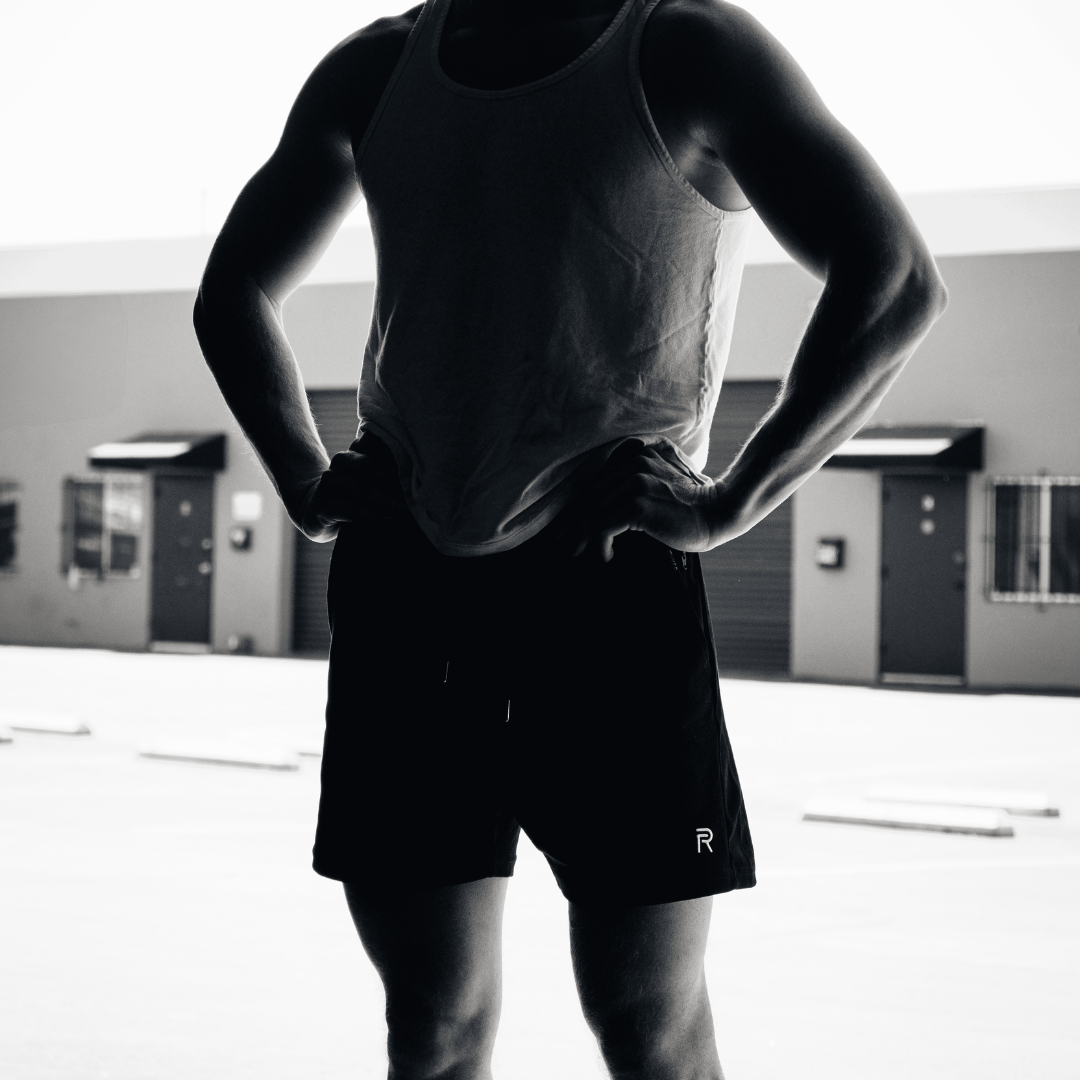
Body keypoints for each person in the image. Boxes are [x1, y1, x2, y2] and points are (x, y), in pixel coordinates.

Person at [194, 0, 946, 1076]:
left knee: (649, 1027)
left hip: (608, 589)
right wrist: (307, 483)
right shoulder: (375, 68)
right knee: (434, 1025)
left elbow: (896, 277)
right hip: (408, 586)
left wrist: (733, 500)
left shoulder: (687, 47)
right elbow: (232, 290)